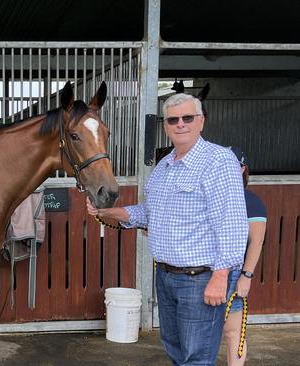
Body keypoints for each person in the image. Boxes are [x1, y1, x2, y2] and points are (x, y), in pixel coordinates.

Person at [87, 93, 248, 365]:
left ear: (201, 122)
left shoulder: (218, 162)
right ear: (166, 126)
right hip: (166, 276)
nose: (180, 124)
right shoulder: (164, 166)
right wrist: (107, 212)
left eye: (188, 118)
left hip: (201, 278)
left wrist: (221, 276)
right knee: (176, 352)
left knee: (196, 357)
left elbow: (231, 223)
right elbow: (148, 214)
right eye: (173, 120)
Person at [223, 147, 267, 366]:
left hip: (233, 273)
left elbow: (256, 241)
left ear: (242, 169)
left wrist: (246, 276)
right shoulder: (209, 196)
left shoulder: (250, 200)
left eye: (231, 166)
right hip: (202, 271)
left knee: (233, 333)